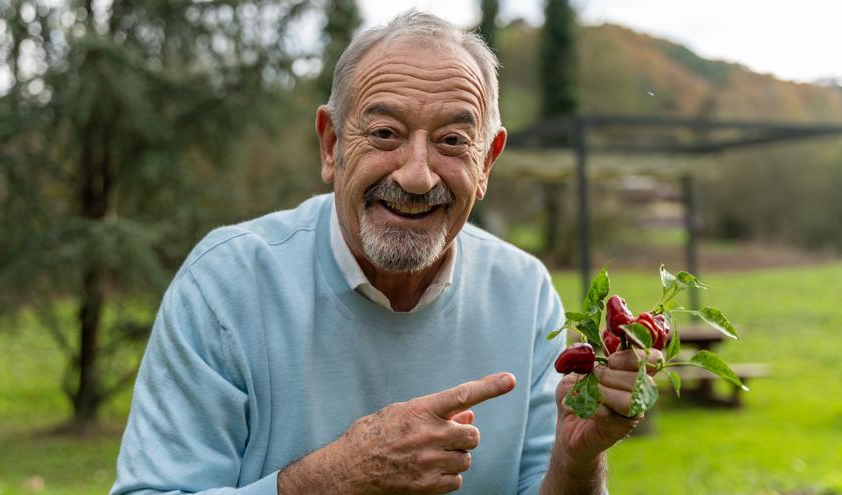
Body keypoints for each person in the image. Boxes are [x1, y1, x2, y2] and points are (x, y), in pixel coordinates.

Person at [111, 10, 658, 495]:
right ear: (331, 145)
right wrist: (334, 479)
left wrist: (577, 460)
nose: (417, 176)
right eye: (385, 133)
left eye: (451, 141)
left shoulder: (525, 291)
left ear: (487, 162)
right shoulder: (227, 283)